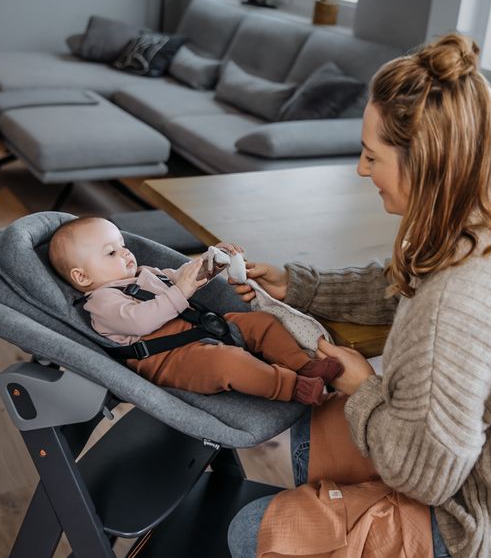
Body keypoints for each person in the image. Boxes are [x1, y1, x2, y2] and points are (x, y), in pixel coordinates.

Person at [228, 33, 491, 557]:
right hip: (451, 465)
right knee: (315, 428)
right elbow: (400, 284)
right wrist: (300, 284)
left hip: (463, 515)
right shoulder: (468, 230)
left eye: (373, 156)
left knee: (249, 533)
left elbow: (429, 480)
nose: (361, 170)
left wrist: (364, 385)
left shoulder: (456, 303)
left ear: (426, 163)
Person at [48, 216, 343, 405]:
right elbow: (140, 320)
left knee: (260, 322)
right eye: (111, 252)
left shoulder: (144, 273)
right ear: (82, 277)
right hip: (166, 359)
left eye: (123, 245)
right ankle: (292, 386)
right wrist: (181, 292)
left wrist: (209, 264)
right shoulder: (101, 303)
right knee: (229, 364)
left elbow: (178, 277)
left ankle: (302, 364)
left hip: (197, 328)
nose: (125, 253)